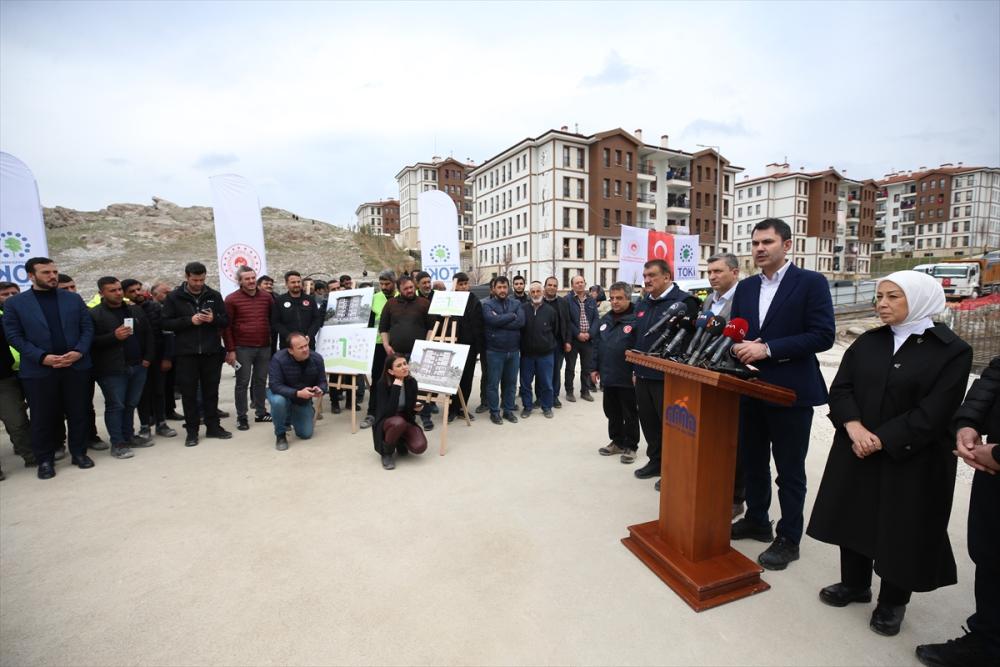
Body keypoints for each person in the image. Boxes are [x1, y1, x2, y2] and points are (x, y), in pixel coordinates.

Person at [807, 270, 971, 637]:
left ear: (920, 298)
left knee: (903, 527)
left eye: (893, 296)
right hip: (857, 447)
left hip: (913, 458)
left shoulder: (952, 351)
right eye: (879, 296)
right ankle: (855, 584)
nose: (881, 303)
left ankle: (893, 602)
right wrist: (854, 427)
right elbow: (842, 388)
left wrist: (880, 439)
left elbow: (936, 411)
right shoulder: (869, 341)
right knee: (854, 515)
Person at [729, 218, 835, 570]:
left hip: (790, 391)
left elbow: (823, 336)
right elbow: (738, 333)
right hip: (750, 388)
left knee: (789, 470)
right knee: (753, 461)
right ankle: (757, 520)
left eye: (768, 242)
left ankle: (789, 537)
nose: (759, 248)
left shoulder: (811, 283)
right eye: (756, 242)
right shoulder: (744, 288)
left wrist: (769, 349)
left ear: (786, 245)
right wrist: (735, 349)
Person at [916, 355, 1000, 666]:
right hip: (992, 468)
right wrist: (968, 423)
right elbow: (995, 375)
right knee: (990, 554)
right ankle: (987, 641)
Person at [3, 257, 96, 479]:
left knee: (79, 412)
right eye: (46, 272)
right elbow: (14, 336)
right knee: (42, 417)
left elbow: (87, 328)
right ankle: (45, 460)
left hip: (75, 366)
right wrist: (42, 357)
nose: (52, 276)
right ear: (31, 276)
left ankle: (79, 453)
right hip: (39, 371)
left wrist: (78, 352)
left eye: (54, 272)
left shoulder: (72, 299)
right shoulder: (16, 304)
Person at [631, 259, 700, 486]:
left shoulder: (685, 302)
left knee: (672, 427)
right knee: (649, 422)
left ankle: (673, 470)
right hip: (643, 373)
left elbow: (688, 341)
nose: (647, 280)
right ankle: (656, 461)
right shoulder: (644, 303)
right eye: (645, 276)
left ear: (668, 277)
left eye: (652, 275)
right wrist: (635, 368)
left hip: (668, 377)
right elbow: (638, 337)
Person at [161, 261, 232, 447]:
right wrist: (189, 321)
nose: (199, 283)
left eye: (202, 279)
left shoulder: (214, 295)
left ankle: (213, 427)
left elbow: (225, 321)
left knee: (211, 391)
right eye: (195, 280)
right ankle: (192, 431)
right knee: (189, 393)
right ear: (187, 277)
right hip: (186, 353)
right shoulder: (174, 297)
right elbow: (165, 323)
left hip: (210, 352)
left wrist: (213, 319)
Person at [90, 276, 156, 460]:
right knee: (116, 406)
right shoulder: (94, 314)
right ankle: (118, 443)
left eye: (119, 289)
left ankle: (129, 436)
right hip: (112, 369)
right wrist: (113, 336)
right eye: (112, 290)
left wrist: (147, 358)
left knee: (130, 404)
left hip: (138, 365)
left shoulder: (134, 310)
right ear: (101, 293)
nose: (118, 293)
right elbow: (90, 342)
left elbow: (148, 334)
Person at [703, 252, 743, 517]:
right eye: (710, 272)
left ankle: (736, 498)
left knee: (734, 442)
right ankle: (713, 487)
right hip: (707, 373)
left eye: (718, 271)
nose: (713, 276)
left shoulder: (744, 300)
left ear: (735, 272)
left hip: (732, 377)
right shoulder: (709, 299)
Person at [122, 279, 177, 440]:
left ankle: (161, 423)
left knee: (159, 391)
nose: (137, 293)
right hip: (138, 360)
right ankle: (145, 425)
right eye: (132, 291)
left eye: (138, 289)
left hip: (158, 357)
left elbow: (167, 334)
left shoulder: (155, 307)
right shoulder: (126, 311)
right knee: (141, 394)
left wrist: (167, 357)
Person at [378, 275, 434, 430]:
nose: (410, 290)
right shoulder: (390, 304)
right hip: (398, 355)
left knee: (422, 386)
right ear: (399, 290)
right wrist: (386, 345)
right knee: (401, 388)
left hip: (419, 353)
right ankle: (405, 416)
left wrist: (426, 344)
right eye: (406, 289)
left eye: (411, 287)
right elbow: (383, 327)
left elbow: (431, 327)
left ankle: (426, 417)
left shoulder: (424, 303)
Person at [591, 281, 639, 463]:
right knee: (611, 411)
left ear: (628, 298)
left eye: (619, 298)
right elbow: (597, 346)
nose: (615, 302)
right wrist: (594, 368)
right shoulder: (606, 320)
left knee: (630, 412)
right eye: (612, 298)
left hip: (628, 377)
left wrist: (636, 371)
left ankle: (631, 446)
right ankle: (617, 441)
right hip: (608, 375)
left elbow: (640, 349)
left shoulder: (637, 320)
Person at [223, 266, 274, 431]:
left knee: (260, 381)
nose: (251, 281)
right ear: (240, 281)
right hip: (242, 348)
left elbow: (273, 320)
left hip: (264, 346)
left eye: (253, 278)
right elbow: (226, 327)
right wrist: (230, 350)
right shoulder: (231, 300)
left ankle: (261, 412)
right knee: (242, 382)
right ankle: (242, 416)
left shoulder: (267, 297)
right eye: (247, 279)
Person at [267, 332, 327, 451]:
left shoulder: (317, 358)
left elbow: (323, 382)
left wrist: (320, 389)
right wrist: (297, 393)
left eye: (306, 345)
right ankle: (280, 434)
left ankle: (297, 412)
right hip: (282, 394)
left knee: (306, 434)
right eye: (300, 347)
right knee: (279, 402)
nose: (305, 349)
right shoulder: (278, 359)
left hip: (301, 399)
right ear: (290, 350)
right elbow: (275, 385)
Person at [372, 354, 428, 470]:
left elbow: (410, 410)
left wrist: (416, 408)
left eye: (405, 363)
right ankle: (387, 453)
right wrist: (396, 388)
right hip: (387, 420)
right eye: (399, 365)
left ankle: (399, 440)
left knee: (419, 447)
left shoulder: (412, 382)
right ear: (391, 371)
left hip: (405, 419)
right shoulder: (382, 384)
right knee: (398, 423)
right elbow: (388, 412)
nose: (404, 367)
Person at [481, 276, 525, 425]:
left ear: (508, 288)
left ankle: (508, 411)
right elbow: (491, 321)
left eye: (504, 287)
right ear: (493, 289)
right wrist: (510, 316)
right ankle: (494, 412)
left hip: (513, 351)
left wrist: (501, 319)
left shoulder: (516, 303)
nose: (502, 290)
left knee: (511, 383)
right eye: (499, 287)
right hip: (495, 351)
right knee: (493, 383)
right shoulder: (487, 305)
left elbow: (520, 322)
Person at [0, 282, 34, 473]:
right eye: (6, 294)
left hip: (22, 373)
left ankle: (30, 455)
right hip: (4, 378)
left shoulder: (24, 315)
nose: (11, 297)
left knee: (18, 420)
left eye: (15, 293)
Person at [361, 270, 397, 429]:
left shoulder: (400, 298)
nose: (384, 287)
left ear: (394, 282)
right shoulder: (374, 298)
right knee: (377, 379)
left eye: (387, 284)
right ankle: (372, 412)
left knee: (398, 379)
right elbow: (368, 323)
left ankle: (395, 412)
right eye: (381, 284)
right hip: (377, 345)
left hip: (396, 345)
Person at [518, 281, 557, 419]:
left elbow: (555, 331)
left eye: (538, 291)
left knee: (546, 383)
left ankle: (547, 407)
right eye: (532, 292)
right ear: (529, 294)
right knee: (525, 383)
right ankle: (527, 407)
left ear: (542, 292)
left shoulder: (550, 311)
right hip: (527, 355)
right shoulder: (522, 309)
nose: (535, 294)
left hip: (546, 355)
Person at [449, 272, 482, 423]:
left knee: (466, 378)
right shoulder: (448, 299)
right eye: (460, 284)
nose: (463, 287)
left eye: (465, 284)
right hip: (451, 346)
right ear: (454, 285)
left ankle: (462, 408)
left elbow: (479, 325)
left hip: (469, 347)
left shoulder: (474, 300)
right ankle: (451, 409)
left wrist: (478, 347)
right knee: (451, 378)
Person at [150, 280, 183, 422]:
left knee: (170, 384)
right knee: (157, 387)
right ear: (155, 294)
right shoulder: (151, 309)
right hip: (158, 353)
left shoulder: (171, 307)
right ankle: (155, 414)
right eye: (166, 292)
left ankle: (170, 410)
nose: (170, 295)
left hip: (174, 351)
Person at [563, 275, 598, 403]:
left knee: (586, 367)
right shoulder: (567, 300)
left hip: (588, 339)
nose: (580, 284)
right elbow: (567, 320)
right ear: (572, 285)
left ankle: (585, 391)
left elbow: (596, 319)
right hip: (573, 339)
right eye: (577, 283)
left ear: (585, 283)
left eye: (582, 282)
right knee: (570, 367)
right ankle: (569, 391)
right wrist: (578, 333)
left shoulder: (591, 300)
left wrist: (590, 333)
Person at [272, 270, 321, 350]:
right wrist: (290, 337)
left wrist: (309, 335)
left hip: (308, 343)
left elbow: (316, 319)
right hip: (288, 345)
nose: (297, 284)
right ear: (286, 284)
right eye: (293, 282)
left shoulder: (310, 300)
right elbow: (276, 323)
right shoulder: (279, 301)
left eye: (298, 282)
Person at [543, 276, 571, 409]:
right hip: (541, 342)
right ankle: (542, 397)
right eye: (550, 285)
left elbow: (568, 322)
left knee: (556, 371)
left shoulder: (563, 302)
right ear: (545, 286)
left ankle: (554, 396)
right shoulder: (538, 301)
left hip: (558, 343)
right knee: (542, 371)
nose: (552, 287)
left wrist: (568, 341)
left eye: (555, 285)